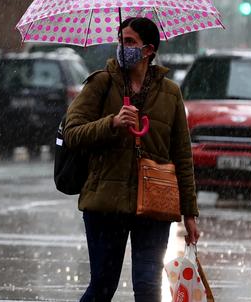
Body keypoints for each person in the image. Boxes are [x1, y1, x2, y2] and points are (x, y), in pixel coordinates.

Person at [64, 17, 200, 302]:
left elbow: (182, 157)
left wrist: (190, 213)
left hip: (154, 203)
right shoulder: (101, 83)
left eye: (130, 42)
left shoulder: (170, 93)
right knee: (103, 285)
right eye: (120, 40)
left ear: (148, 50)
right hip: (105, 202)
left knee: (148, 287)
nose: (122, 47)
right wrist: (111, 123)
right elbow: (72, 133)